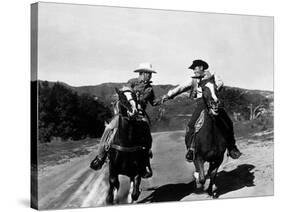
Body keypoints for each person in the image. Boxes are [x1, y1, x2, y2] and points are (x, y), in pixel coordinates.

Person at [161, 59, 242, 162]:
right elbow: (181, 88)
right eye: (193, 69)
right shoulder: (193, 80)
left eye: (195, 68)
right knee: (191, 125)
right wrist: (168, 95)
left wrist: (210, 87)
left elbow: (220, 83)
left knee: (228, 122)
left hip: (213, 100)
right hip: (201, 103)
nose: (194, 71)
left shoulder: (212, 75)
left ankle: (231, 147)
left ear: (201, 67)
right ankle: (191, 149)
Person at [90, 62, 160, 178]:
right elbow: (125, 93)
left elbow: (153, 102)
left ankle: (145, 161)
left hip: (140, 115)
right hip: (126, 114)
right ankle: (100, 156)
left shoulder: (150, 89)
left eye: (150, 74)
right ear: (141, 73)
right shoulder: (131, 82)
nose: (150, 76)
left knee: (147, 133)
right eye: (148, 74)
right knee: (109, 128)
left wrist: (167, 97)